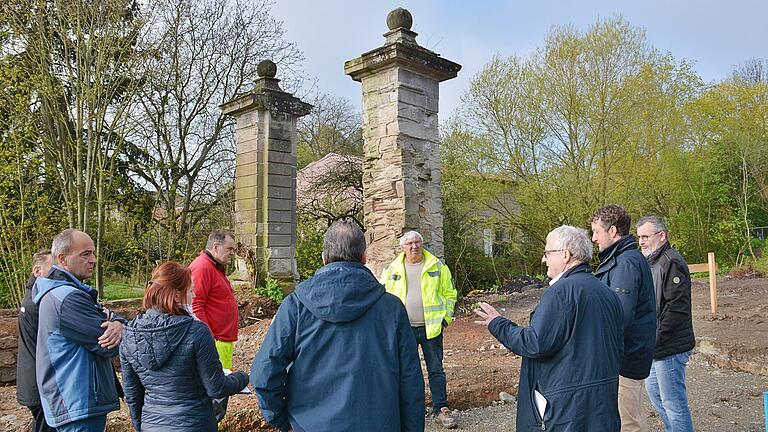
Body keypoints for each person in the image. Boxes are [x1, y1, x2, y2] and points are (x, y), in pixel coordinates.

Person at [251, 219, 425, 432]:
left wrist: (282, 420)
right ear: (364, 256)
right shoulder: (392, 309)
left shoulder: (295, 306)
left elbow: (264, 373)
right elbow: (411, 382)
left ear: (324, 258)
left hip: (310, 425)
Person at [475, 225, 624, 431]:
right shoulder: (606, 292)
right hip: (602, 403)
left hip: (568, 408)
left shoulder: (561, 292)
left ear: (565, 255)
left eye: (547, 253)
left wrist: (498, 323)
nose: (544, 259)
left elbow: (535, 343)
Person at [120, 261, 249, 431]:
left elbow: (133, 396)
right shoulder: (196, 331)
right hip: (194, 423)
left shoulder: (129, 335)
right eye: (190, 290)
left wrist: (142, 426)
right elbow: (217, 387)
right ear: (175, 295)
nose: (194, 296)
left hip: (152, 425)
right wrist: (242, 378)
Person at [33, 229, 125, 431]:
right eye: (85, 254)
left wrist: (118, 322)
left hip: (75, 401)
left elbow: (107, 315)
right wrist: (120, 327)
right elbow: (108, 346)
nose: (93, 259)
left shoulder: (68, 293)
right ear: (63, 259)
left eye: (93, 253)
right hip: (77, 403)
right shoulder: (68, 298)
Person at [380, 230, 458, 428]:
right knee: (405, 371)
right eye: (410, 244)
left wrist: (445, 318)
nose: (414, 246)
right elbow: (383, 298)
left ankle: (441, 408)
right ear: (403, 247)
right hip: (404, 331)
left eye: (417, 242)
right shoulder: (391, 269)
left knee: (436, 370)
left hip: (431, 329)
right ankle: (404, 409)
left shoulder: (437, 266)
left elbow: (450, 293)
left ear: (422, 244)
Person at [590, 204, 656, 432]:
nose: (593, 238)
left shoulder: (625, 263)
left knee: (629, 423)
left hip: (626, 358)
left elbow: (619, 317)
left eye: (597, 232)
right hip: (625, 355)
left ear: (613, 230)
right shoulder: (620, 259)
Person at [637, 215, 695, 432]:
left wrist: (655, 338)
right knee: (656, 395)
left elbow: (676, 309)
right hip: (655, 345)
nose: (641, 241)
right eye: (639, 237)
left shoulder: (671, 262)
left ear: (662, 236)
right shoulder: (650, 263)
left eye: (646, 236)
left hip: (670, 345)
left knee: (673, 402)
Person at [189, 230, 239, 371]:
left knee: (222, 385)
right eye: (229, 248)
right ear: (215, 247)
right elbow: (195, 305)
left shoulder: (214, 266)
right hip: (215, 341)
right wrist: (207, 338)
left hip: (222, 340)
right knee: (216, 387)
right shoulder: (202, 267)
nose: (232, 253)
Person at [16, 249, 55, 432]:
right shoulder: (37, 304)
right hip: (42, 386)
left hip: (35, 382)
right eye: (53, 268)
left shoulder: (34, 299)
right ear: (37, 271)